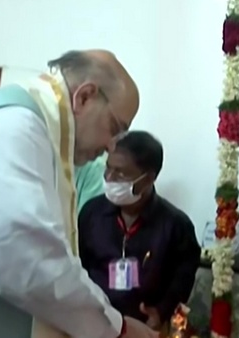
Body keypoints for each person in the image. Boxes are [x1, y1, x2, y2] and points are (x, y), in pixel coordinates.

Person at [0, 50, 158, 338]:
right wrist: (116, 329)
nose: (111, 147)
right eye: (115, 129)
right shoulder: (16, 127)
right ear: (84, 97)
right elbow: (28, 260)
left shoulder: (36, 129)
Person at [79, 131, 201, 331]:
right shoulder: (91, 213)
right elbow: (78, 266)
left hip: (143, 329)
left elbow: (184, 276)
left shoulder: (176, 225)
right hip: (95, 323)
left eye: (121, 173)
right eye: (108, 168)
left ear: (148, 179)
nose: (110, 178)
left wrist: (162, 311)